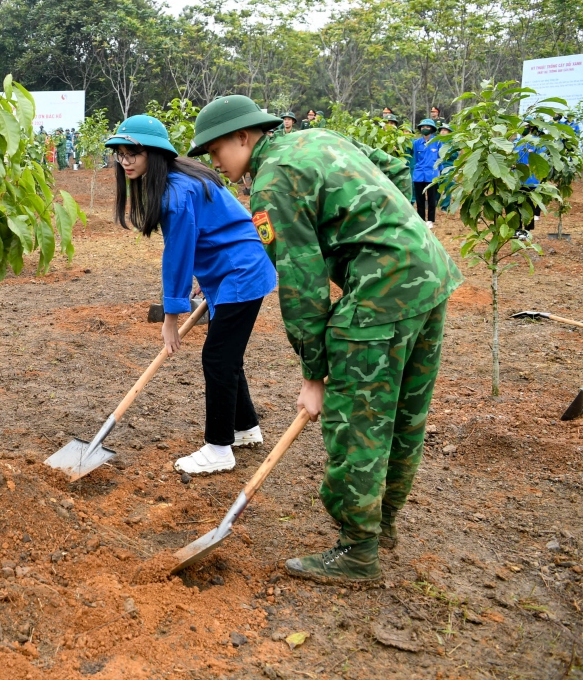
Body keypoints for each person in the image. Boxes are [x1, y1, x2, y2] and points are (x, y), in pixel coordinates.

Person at [192, 95, 461, 585]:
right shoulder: (319, 138)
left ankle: (359, 550)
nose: (215, 164)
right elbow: (391, 167)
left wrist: (314, 373)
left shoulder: (273, 182)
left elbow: (302, 286)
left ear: (243, 137)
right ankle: (384, 525)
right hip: (429, 274)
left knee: (359, 423)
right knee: (404, 413)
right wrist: (390, 231)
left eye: (215, 152)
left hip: (382, 297)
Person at [108, 114, 277, 475]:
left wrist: (172, 318)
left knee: (217, 358)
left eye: (133, 154)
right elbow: (210, 231)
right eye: (120, 154)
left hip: (240, 272)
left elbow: (178, 257)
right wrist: (208, 274)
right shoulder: (178, 178)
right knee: (226, 356)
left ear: (153, 154)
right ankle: (246, 429)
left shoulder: (176, 193)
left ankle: (219, 448)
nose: (125, 162)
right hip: (233, 268)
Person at [411, 119, 441, 228]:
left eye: (427, 127)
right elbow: (415, 158)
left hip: (432, 174)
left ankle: (431, 220)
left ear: (432, 129)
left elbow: (440, 158)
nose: (425, 129)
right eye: (423, 127)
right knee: (420, 198)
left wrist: (440, 172)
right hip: (419, 174)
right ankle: (421, 219)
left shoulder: (437, 142)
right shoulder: (416, 143)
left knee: (432, 198)